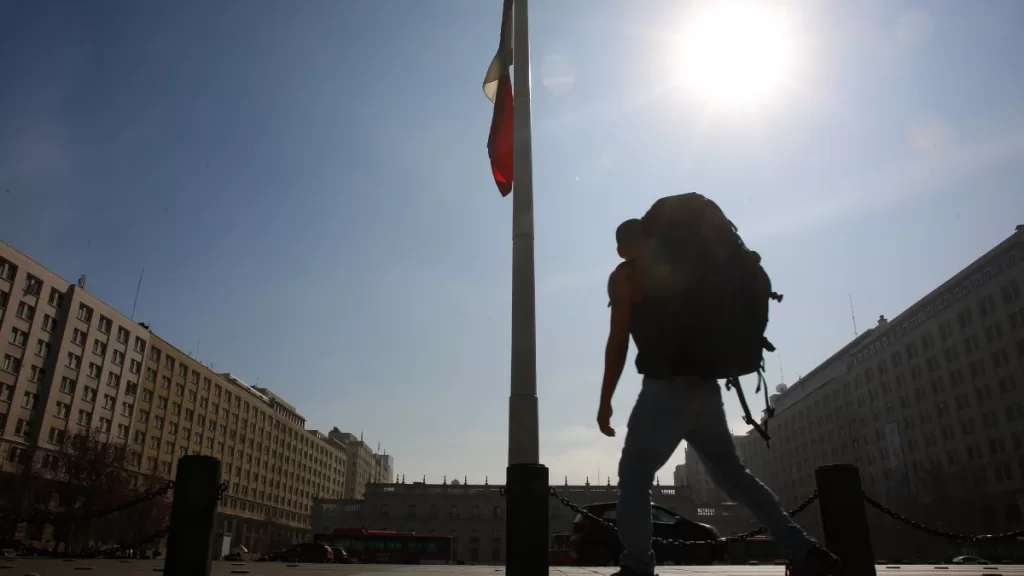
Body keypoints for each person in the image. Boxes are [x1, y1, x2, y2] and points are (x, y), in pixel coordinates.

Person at [598, 218, 840, 576]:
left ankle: (637, 566)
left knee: (635, 475)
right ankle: (804, 550)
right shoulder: (689, 266)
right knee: (735, 477)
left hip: (664, 388)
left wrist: (605, 401)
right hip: (706, 389)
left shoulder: (626, 277)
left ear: (621, 248)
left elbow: (618, 341)